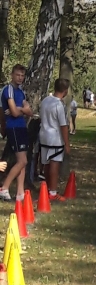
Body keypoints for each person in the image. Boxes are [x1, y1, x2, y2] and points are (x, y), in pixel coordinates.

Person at [0, 64, 31, 201]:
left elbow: (29, 111)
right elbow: (13, 112)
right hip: (14, 127)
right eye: (17, 75)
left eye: (22, 75)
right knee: (22, 161)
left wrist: (21, 110)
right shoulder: (8, 90)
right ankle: (4, 187)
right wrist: (21, 110)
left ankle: (20, 193)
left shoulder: (21, 91)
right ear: (12, 75)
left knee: (22, 162)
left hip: (22, 126)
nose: (20, 78)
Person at [38, 77, 70, 194]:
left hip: (43, 135)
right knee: (54, 163)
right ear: (65, 91)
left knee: (46, 163)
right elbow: (63, 126)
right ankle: (53, 191)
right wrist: (67, 143)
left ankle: (46, 187)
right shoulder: (58, 105)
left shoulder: (45, 100)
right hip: (55, 138)